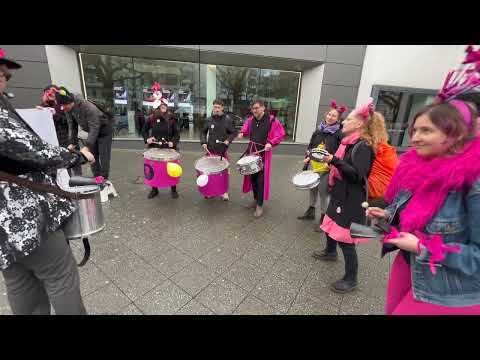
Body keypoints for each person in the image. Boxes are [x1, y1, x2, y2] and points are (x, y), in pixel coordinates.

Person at [367, 46, 480, 314]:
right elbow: (414, 217)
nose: (414, 137)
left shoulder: (473, 181)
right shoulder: (417, 169)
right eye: (414, 129)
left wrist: (423, 247)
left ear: (455, 135)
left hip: (449, 288)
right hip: (410, 266)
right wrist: (387, 215)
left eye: (426, 130)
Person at [0, 49, 94, 315]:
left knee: (18, 280)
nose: (5, 79)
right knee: (59, 275)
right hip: (21, 215)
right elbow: (35, 151)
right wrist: (77, 155)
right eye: (3, 73)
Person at [313, 97, 386, 293]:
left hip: (352, 199)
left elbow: (356, 175)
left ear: (360, 124)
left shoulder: (363, 146)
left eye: (349, 120)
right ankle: (329, 252)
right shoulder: (348, 142)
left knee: (346, 240)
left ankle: (351, 279)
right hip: (340, 193)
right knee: (330, 224)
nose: (343, 122)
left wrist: (334, 161)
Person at [56, 88, 114, 196]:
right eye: (61, 106)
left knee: (104, 157)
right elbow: (72, 127)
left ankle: (104, 181)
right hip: (93, 132)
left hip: (104, 131)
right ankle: (98, 181)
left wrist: (87, 146)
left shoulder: (88, 107)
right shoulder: (69, 110)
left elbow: (95, 127)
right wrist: (71, 143)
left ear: (70, 102)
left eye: (64, 105)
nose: (63, 108)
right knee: (92, 158)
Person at [298, 100, 344, 232]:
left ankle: (324, 219)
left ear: (338, 119)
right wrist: (307, 156)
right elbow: (311, 146)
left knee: (323, 193)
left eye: (333, 116)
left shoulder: (339, 134)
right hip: (314, 166)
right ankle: (311, 211)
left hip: (327, 168)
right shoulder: (318, 130)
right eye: (329, 114)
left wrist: (333, 164)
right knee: (312, 188)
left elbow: (341, 152)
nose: (330, 117)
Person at [238, 100, 285, 217]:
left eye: (256, 108)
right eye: (253, 108)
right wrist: (242, 133)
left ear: (263, 108)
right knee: (252, 179)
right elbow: (245, 129)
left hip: (263, 155)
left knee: (260, 180)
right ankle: (255, 200)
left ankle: (259, 205)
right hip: (252, 153)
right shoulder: (250, 120)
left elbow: (280, 134)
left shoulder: (272, 120)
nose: (254, 110)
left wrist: (271, 143)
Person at [200, 99, 238, 201]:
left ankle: (224, 191)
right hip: (210, 151)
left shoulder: (228, 120)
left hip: (222, 151)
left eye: (218, 107)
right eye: (215, 107)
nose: (216, 109)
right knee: (210, 172)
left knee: (223, 173)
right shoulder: (208, 120)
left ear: (222, 108)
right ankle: (210, 190)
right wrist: (203, 142)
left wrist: (228, 140)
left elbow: (234, 132)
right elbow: (203, 132)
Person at [142, 102, 180, 199]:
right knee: (154, 169)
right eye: (161, 105)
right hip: (154, 147)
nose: (164, 106)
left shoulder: (171, 119)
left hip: (169, 148)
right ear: (157, 107)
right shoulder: (151, 118)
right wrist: (147, 139)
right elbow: (144, 131)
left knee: (171, 169)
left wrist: (173, 142)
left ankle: (173, 189)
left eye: (165, 105)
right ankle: (154, 189)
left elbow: (176, 134)